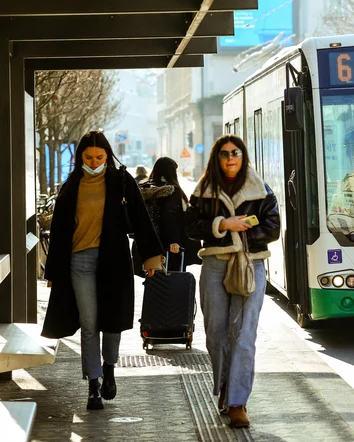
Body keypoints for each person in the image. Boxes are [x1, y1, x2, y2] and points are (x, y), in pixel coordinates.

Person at [41, 131, 163, 410]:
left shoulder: (121, 181)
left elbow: (142, 218)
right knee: (89, 322)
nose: (94, 162)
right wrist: (54, 273)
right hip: (79, 262)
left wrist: (151, 258)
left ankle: (109, 367)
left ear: (108, 156)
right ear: (80, 157)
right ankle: (93, 385)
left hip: (114, 261)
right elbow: (60, 231)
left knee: (112, 321)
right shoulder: (72, 185)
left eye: (99, 157)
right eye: (88, 157)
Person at [186, 135, 281, 428]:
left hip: (251, 265)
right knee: (215, 332)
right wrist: (223, 225)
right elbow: (189, 226)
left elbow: (274, 227)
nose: (230, 159)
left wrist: (243, 233)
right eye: (225, 154)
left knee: (243, 334)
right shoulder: (203, 191)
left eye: (236, 153)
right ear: (216, 158)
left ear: (243, 156)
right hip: (215, 263)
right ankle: (225, 386)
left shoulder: (261, 189)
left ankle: (238, 402)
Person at [133, 157, 201, 274]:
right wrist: (173, 240)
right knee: (171, 281)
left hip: (147, 244)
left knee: (153, 281)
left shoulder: (144, 189)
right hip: (168, 247)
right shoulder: (171, 191)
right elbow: (170, 217)